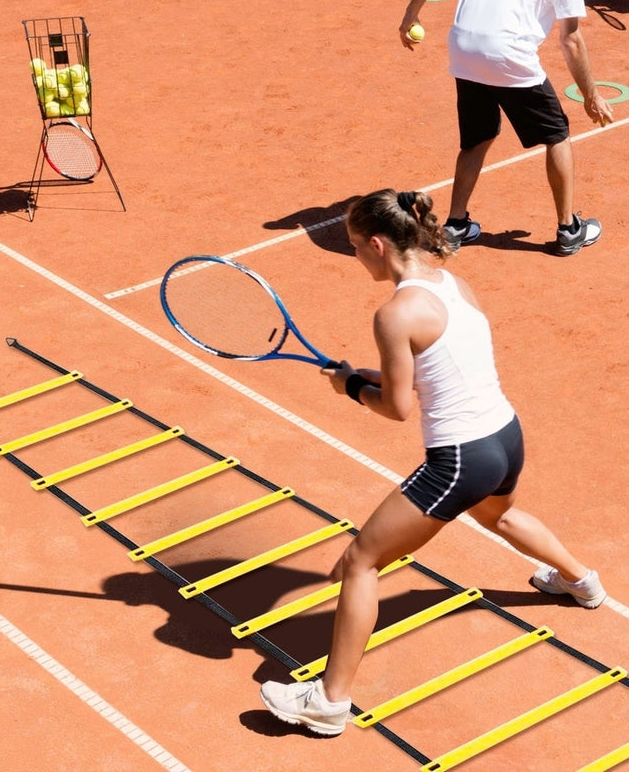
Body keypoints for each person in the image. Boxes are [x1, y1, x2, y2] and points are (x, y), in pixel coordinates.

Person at [260, 188, 606, 736]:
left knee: (359, 563)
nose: (353, 257)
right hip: (505, 436)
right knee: (501, 516)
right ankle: (582, 582)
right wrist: (357, 375)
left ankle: (329, 702)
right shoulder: (453, 284)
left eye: (353, 247)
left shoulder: (394, 313)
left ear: (377, 244)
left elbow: (398, 408)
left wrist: (349, 389)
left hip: (461, 458)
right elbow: (441, 370)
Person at [398, 0, 613, 257]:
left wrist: (410, 14)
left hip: (463, 48)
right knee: (557, 135)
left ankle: (455, 225)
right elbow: (571, 39)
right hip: (509, 56)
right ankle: (568, 230)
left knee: (477, 137)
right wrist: (591, 94)